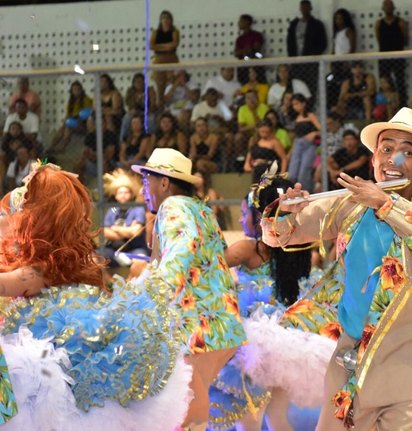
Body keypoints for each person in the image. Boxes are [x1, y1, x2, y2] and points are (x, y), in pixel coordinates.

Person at [263, 107, 412, 430]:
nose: (394, 160)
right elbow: (279, 235)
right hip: (349, 365)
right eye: (386, 150)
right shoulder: (349, 204)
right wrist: (284, 212)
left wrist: (388, 205)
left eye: (407, 153)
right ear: (373, 158)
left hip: (408, 375)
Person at [0, 162, 191, 430]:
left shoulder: (34, 273)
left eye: (16, 215)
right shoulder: (68, 266)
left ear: (34, 223)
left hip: (47, 374)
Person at [133, 148, 248, 431]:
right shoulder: (201, 210)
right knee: (191, 405)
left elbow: (180, 254)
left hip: (199, 329)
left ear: (164, 183)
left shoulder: (173, 207)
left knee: (188, 410)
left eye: (147, 181)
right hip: (220, 327)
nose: (143, 189)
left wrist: (150, 300)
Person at [208, 170, 313, 431]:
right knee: (276, 417)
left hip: (252, 345)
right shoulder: (294, 252)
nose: (242, 219)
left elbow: (211, 263)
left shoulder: (249, 248)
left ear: (261, 218)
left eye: (245, 213)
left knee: (250, 418)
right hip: (286, 342)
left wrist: (209, 231)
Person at [99, 169, 148, 267]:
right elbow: (105, 232)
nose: (123, 195)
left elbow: (136, 232)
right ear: (115, 196)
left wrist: (115, 228)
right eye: (120, 193)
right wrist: (128, 231)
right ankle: (110, 282)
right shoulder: (111, 210)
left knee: (141, 261)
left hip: (135, 249)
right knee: (93, 258)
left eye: (126, 192)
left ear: (131, 194)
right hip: (113, 249)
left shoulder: (137, 209)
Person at [286, 0, 327, 93]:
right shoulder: (294, 24)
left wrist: (312, 55)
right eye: (302, 7)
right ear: (300, 9)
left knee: (311, 86)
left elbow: (323, 43)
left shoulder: (317, 24)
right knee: (296, 85)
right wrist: (291, 58)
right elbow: (290, 43)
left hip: (311, 62)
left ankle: (309, 105)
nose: (304, 9)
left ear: (310, 8)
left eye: (306, 7)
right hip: (296, 62)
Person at [375, 0, 409, 105]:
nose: (388, 8)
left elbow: (406, 39)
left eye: (390, 5)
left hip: (398, 56)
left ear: (394, 8)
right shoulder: (379, 24)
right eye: (386, 6)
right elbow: (378, 39)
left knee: (400, 82)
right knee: (385, 83)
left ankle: (403, 105)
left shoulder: (401, 22)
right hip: (384, 57)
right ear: (383, 8)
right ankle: (387, 106)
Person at [287, 93, 320, 192]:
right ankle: (293, 193)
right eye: (293, 105)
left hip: (309, 145)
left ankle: (307, 193)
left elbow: (323, 130)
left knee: (304, 172)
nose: (295, 107)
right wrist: (290, 152)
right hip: (297, 145)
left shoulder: (310, 115)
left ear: (303, 103)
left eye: (297, 104)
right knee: (292, 173)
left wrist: (314, 133)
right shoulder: (296, 117)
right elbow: (296, 136)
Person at [150, 10, 180, 104]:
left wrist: (159, 47)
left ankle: (170, 102)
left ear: (171, 20)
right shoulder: (155, 32)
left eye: (167, 18)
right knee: (159, 83)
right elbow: (151, 46)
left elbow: (174, 44)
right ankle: (160, 102)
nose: (165, 20)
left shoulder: (174, 31)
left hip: (171, 58)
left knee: (172, 80)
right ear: (160, 20)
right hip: (159, 59)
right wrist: (166, 46)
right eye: (163, 18)